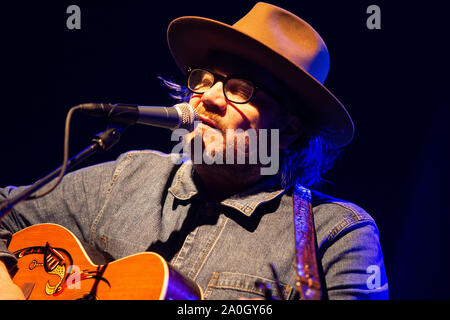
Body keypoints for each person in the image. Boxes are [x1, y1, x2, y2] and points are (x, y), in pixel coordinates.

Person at [0, 2, 388, 299]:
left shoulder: (336, 235)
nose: (208, 99)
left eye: (239, 88)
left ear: (288, 129)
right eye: (204, 79)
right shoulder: (128, 176)